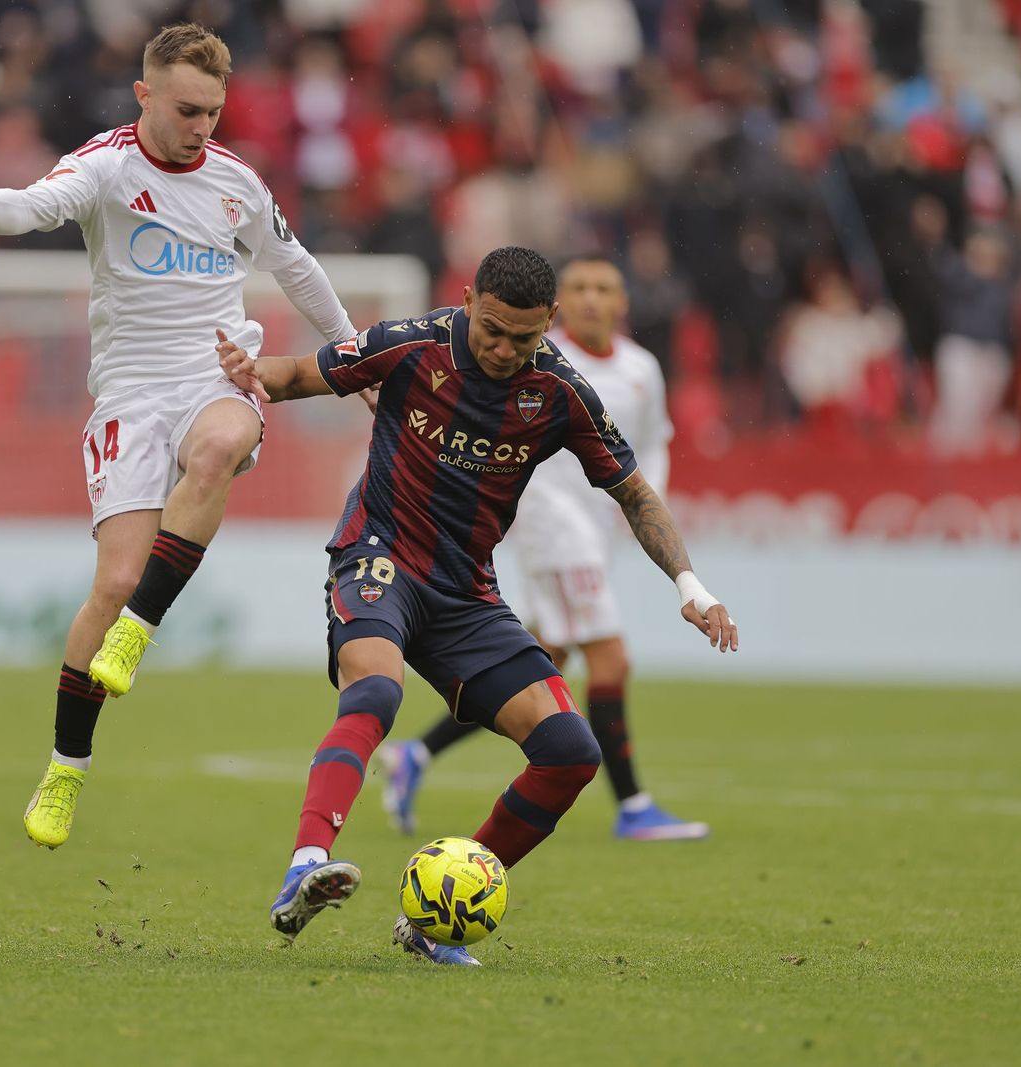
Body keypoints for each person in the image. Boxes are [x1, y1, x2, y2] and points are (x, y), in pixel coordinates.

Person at [218, 247, 738, 966]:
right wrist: (245, 373)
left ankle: (433, 919)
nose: (503, 349)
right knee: (376, 689)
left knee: (569, 752)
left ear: (549, 321)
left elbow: (634, 493)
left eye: (523, 337)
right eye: (491, 330)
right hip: (379, 555)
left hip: (467, 594)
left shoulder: (561, 391)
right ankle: (306, 863)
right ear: (467, 300)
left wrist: (690, 585)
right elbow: (297, 375)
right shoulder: (409, 344)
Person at [0, 23, 357, 850]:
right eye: (187, 110)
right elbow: (32, 207)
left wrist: (353, 354)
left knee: (219, 446)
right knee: (113, 580)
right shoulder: (105, 167)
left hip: (217, 375)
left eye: (213, 112)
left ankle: (139, 632)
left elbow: (297, 269)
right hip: (130, 396)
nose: (202, 127)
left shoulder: (238, 182)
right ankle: (65, 766)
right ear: (145, 95)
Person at [377, 255, 710, 843]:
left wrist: (639, 508)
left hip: (599, 528)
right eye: (579, 286)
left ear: (622, 302)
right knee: (610, 658)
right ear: (560, 306)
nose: (590, 298)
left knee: (540, 660)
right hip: (551, 525)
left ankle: (416, 754)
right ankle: (633, 805)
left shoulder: (642, 369)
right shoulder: (534, 360)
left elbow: (650, 446)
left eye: (603, 288)